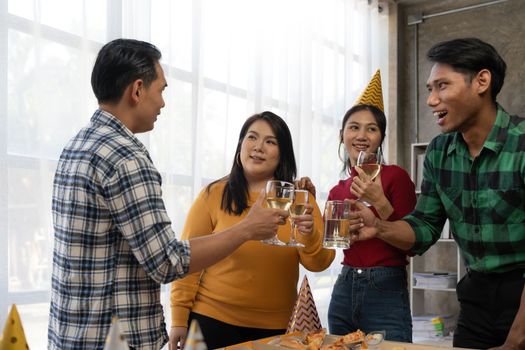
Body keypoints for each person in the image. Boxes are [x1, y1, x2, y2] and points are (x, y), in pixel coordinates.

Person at [48, 39, 289, 350]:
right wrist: (246, 229)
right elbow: (167, 261)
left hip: (72, 333)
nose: (162, 103)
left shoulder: (77, 145)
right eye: (160, 90)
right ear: (137, 90)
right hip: (114, 338)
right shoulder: (127, 158)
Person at [349, 38, 525, 350]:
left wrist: (515, 342)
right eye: (430, 89)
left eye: (441, 86)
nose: (431, 100)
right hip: (475, 298)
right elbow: (424, 227)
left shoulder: (521, 144)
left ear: (482, 81)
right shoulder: (439, 152)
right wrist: (379, 227)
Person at [169, 111, 335, 349]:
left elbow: (320, 263)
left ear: (283, 154)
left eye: (270, 141)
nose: (259, 147)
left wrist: (309, 236)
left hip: (276, 330)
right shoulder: (212, 195)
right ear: (240, 146)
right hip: (210, 321)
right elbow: (188, 261)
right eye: (252, 137)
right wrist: (178, 319)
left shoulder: (301, 198)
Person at [326, 70, 416, 342]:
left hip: (386, 284)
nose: (362, 135)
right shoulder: (336, 191)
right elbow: (331, 244)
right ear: (342, 135)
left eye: (371, 128)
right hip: (344, 284)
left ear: (380, 138)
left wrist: (380, 203)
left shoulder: (396, 177)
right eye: (354, 127)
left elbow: (412, 243)